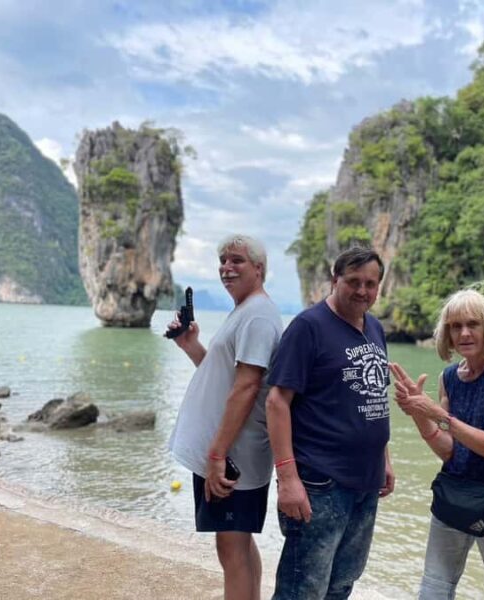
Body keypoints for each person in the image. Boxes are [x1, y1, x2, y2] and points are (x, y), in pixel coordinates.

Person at [265, 246, 395, 600]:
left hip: (365, 483)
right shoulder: (309, 327)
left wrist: (384, 459)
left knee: (342, 583)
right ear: (335, 280)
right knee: (302, 588)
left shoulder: (375, 328)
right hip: (320, 482)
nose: (362, 291)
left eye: (371, 283)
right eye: (353, 281)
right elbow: (277, 402)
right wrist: (288, 478)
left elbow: (372, 396)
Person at [168, 234, 283, 600]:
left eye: (238, 260)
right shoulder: (246, 311)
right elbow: (227, 379)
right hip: (230, 451)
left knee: (231, 548)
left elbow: (248, 389)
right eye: (223, 260)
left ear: (259, 269)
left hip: (235, 455)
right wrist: (192, 346)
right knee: (240, 543)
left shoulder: (258, 317)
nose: (226, 267)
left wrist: (216, 455)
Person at [391, 289, 484, 600]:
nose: (464, 333)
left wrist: (436, 414)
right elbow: (449, 450)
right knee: (434, 588)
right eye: (455, 326)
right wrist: (417, 413)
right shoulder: (449, 376)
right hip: (454, 494)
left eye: (473, 324)